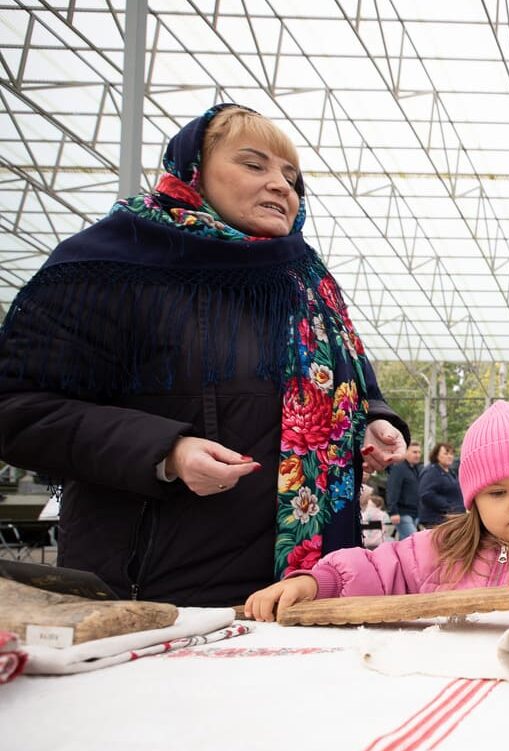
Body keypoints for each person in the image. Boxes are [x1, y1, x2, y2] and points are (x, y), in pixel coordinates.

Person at [0, 104, 407, 604]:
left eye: (291, 176)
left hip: (303, 588)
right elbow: (17, 409)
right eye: (254, 165)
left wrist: (371, 422)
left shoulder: (307, 283)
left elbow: (355, 389)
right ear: (193, 171)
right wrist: (165, 452)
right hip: (159, 594)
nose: (282, 185)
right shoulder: (110, 267)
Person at [246, 400, 509, 619]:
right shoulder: (439, 546)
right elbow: (374, 568)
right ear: (473, 500)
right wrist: (315, 584)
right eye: (497, 494)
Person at [419, 441, 463, 528]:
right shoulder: (431, 471)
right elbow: (426, 494)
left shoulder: (451, 472)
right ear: (436, 455)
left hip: (453, 518)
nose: (449, 456)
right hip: (437, 520)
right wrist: (449, 507)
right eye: (446, 453)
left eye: (451, 454)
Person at [385, 441, 423, 540]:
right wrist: (393, 511)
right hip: (402, 513)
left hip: (414, 513)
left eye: (419, 452)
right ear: (405, 452)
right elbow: (392, 489)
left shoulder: (416, 469)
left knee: (407, 544)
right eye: (414, 452)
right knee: (414, 540)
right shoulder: (398, 468)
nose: (417, 455)